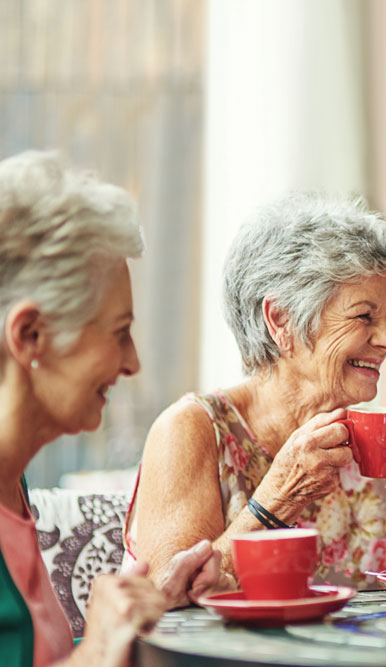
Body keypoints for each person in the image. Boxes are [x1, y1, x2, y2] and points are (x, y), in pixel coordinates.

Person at [125, 192, 386, 591]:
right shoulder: (192, 430)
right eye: (364, 317)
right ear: (281, 319)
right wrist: (279, 497)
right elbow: (164, 600)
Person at [0, 150, 221, 666]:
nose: (133, 363)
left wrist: (142, 609)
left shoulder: (13, 487)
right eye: (120, 333)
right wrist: (96, 650)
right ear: (30, 335)